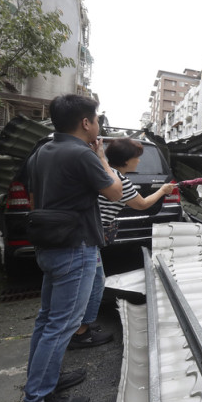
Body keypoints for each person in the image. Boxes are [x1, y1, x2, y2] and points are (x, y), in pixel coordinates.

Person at [15, 95, 122, 402]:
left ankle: (46, 379)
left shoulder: (41, 151)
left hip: (49, 245)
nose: (99, 126)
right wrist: (103, 159)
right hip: (75, 247)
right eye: (97, 120)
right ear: (86, 123)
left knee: (48, 319)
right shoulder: (81, 154)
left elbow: (33, 195)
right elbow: (116, 192)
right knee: (62, 324)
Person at [70, 138, 175, 349]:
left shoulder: (104, 171)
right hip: (87, 238)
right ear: (126, 161)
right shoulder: (119, 181)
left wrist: (100, 154)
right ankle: (80, 333)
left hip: (83, 233)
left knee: (93, 281)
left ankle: (82, 326)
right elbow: (142, 204)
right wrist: (163, 191)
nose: (138, 162)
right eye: (136, 158)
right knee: (92, 283)